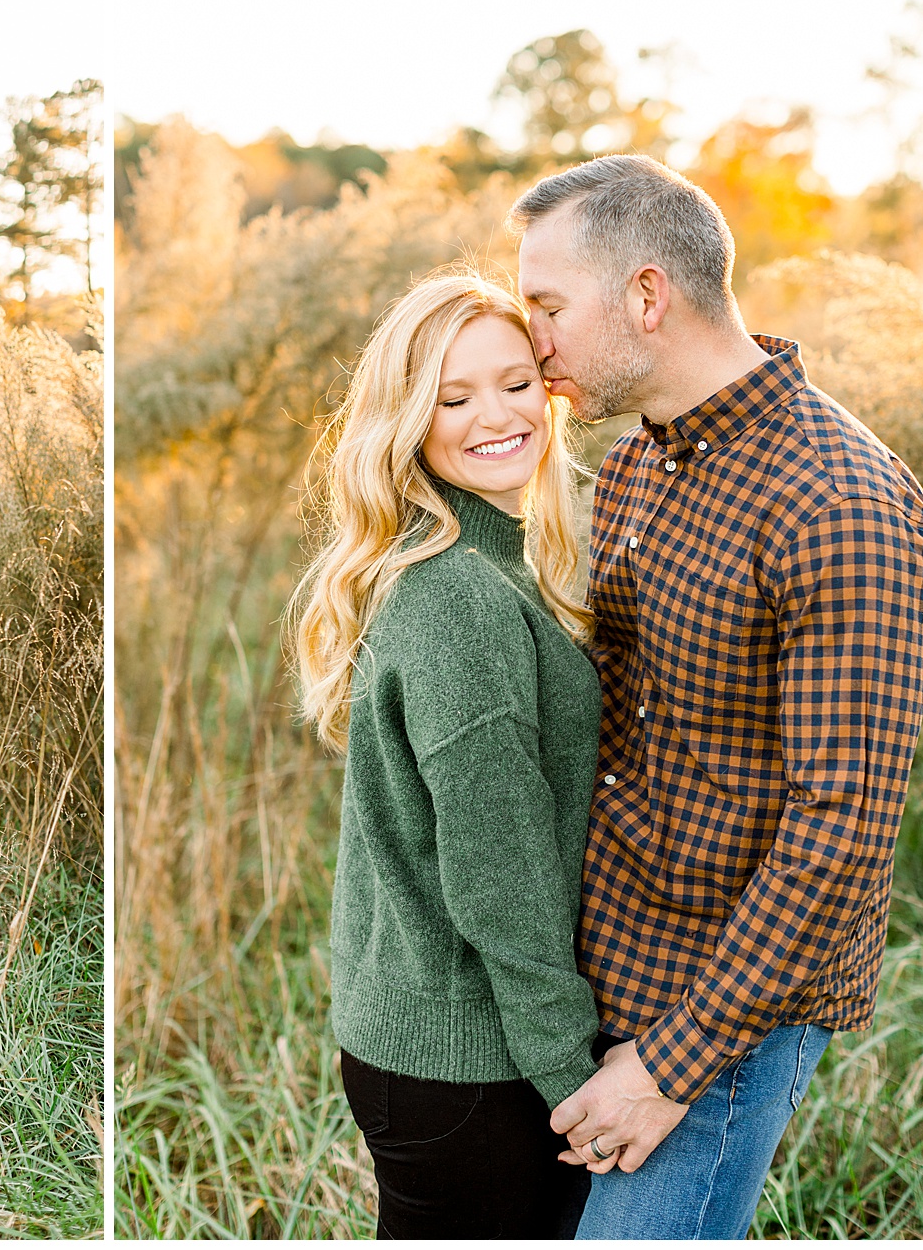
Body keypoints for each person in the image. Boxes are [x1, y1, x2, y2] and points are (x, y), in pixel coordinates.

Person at [511, 154, 923, 1239]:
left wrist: (671, 1062)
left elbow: (841, 828)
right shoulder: (636, 466)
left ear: (647, 295)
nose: (535, 342)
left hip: (723, 1013)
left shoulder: (840, 504)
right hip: (603, 970)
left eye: (550, 306)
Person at [289, 269, 603, 1238]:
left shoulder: (506, 548)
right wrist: (575, 1081)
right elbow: (495, 870)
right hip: (471, 1060)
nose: (495, 416)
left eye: (515, 382)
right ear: (409, 418)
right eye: (453, 397)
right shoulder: (458, 592)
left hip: (439, 1040)